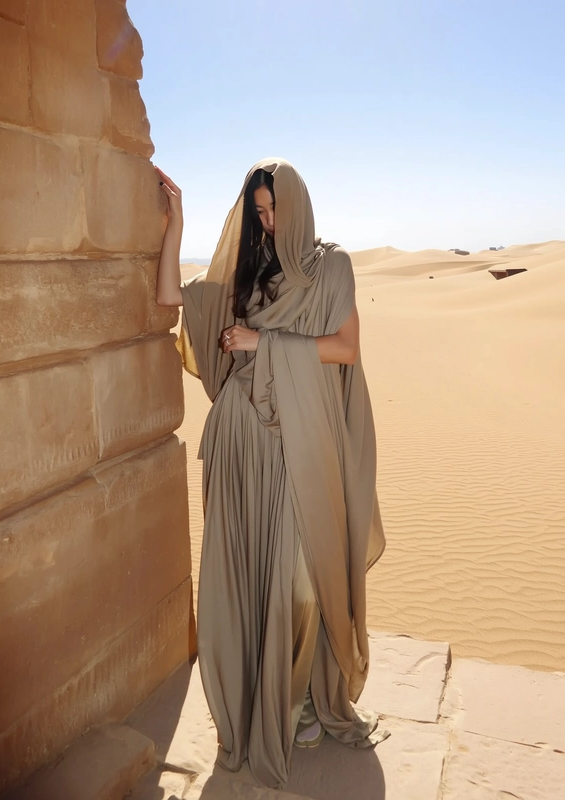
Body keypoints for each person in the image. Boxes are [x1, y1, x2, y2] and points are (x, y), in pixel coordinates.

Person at [154, 158, 388, 789]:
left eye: (274, 208)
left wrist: (263, 344)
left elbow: (346, 349)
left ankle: (305, 697)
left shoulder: (332, 268)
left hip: (299, 446)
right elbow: (175, 300)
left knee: (303, 582)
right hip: (240, 445)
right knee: (257, 575)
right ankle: (277, 710)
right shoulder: (249, 274)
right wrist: (178, 223)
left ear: (299, 204)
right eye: (258, 213)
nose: (267, 221)